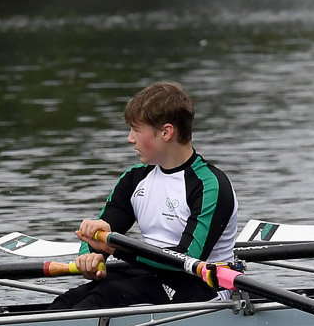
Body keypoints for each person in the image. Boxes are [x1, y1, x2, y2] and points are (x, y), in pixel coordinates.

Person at [54, 82, 239, 310]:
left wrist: (114, 248)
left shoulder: (210, 185)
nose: (130, 139)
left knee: (100, 300)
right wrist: (91, 255)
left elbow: (186, 258)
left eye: (136, 130)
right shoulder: (135, 178)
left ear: (165, 132)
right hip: (151, 274)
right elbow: (100, 232)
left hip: (202, 284)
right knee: (68, 301)